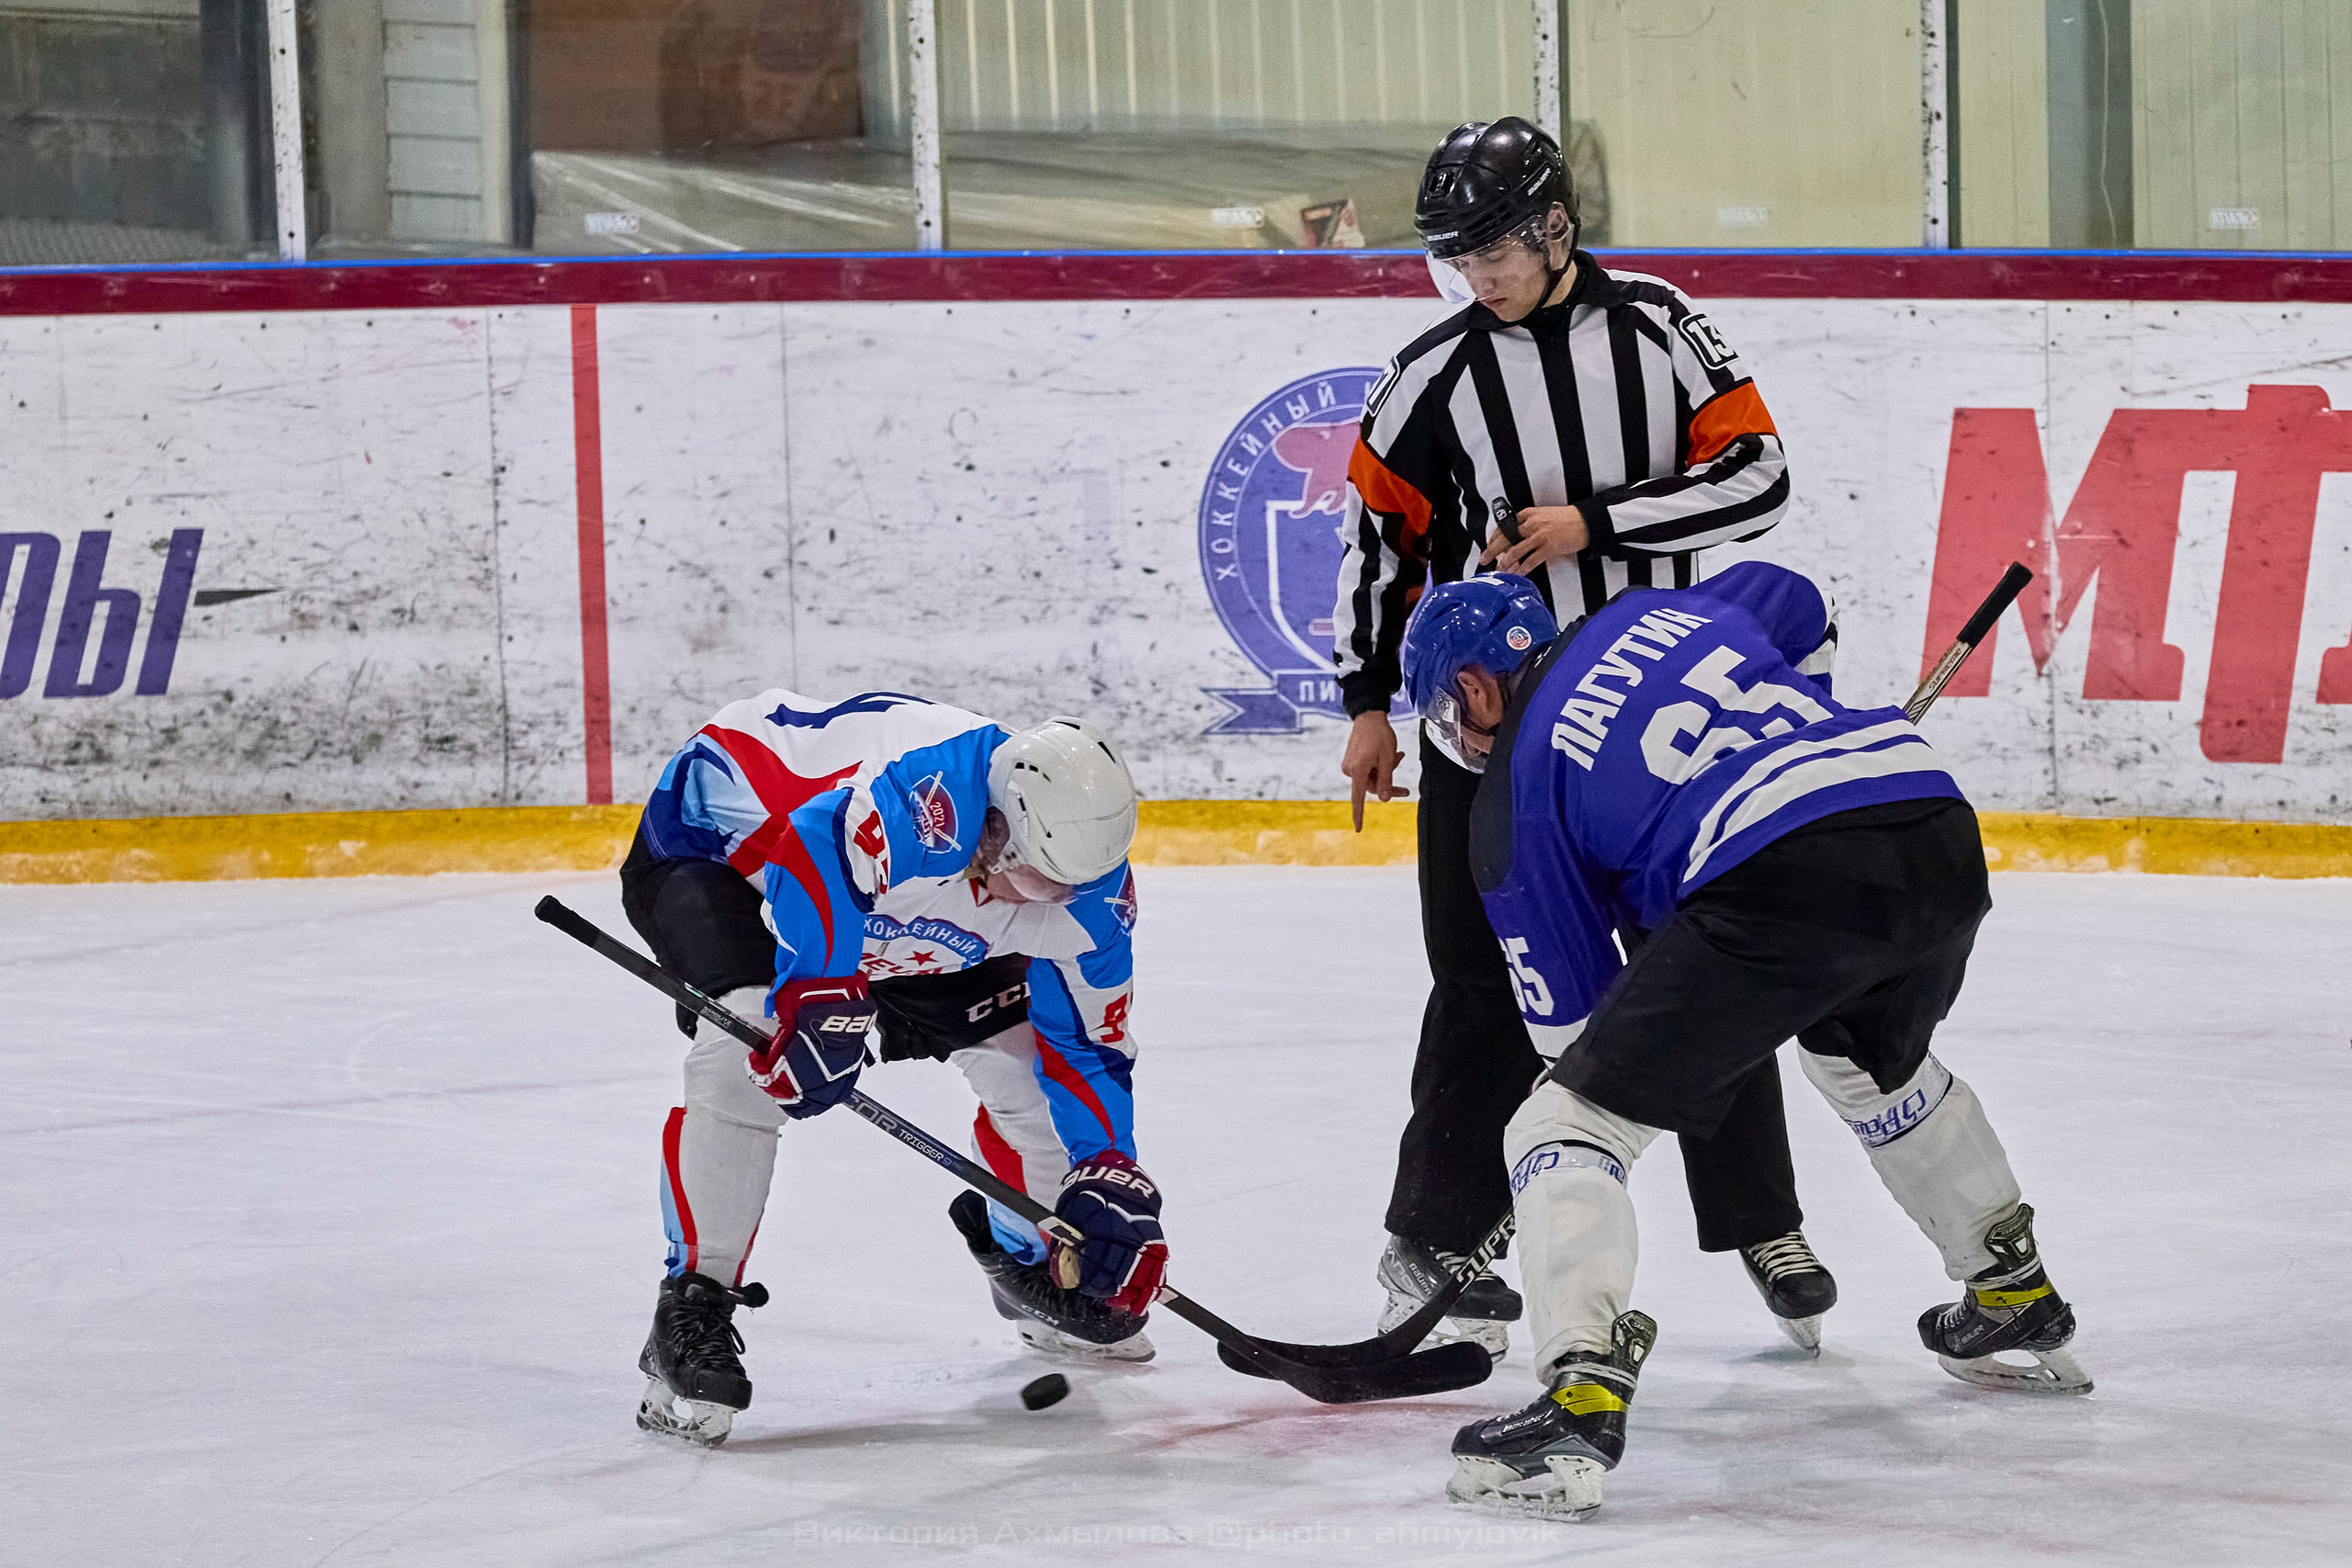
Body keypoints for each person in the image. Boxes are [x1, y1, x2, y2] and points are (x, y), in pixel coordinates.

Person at [1394, 568, 2090, 1522]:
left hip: (1782, 867)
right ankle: (2009, 1287)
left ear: (1477, 688)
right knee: (1868, 1067)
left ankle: (1577, 1392)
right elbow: (1793, 596)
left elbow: (1575, 1038)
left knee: (1562, 1123)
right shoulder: (1647, 611)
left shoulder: (1515, 792)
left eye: (1449, 712)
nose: (1457, 735)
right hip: (1923, 814)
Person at [1331, 115, 1831, 1357]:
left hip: (1655, 723)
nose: (1479, 275)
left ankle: (1761, 1216)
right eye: (1458, 256)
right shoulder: (1429, 375)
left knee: (1704, 957)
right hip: (1489, 736)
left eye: (1496, 247)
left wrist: (1591, 523)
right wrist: (1364, 705)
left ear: (1556, 225)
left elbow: (1760, 473)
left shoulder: (1660, 326)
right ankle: (1435, 1235)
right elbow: (1380, 547)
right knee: (1478, 975)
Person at [616, 690, 1162, 1447]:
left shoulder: (1086, 890)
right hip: (730, 856)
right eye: (1045, 880)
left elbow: (1090, 1049)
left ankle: (1026, 1257)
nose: (1063, 899)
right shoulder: (933, 801)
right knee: (743, 1051)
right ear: (996, 832)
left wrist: (1107, 1171)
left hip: (898, 903)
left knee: (1031, 1072)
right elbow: (816, 845)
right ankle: (693, 1301)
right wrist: (824, 1000)